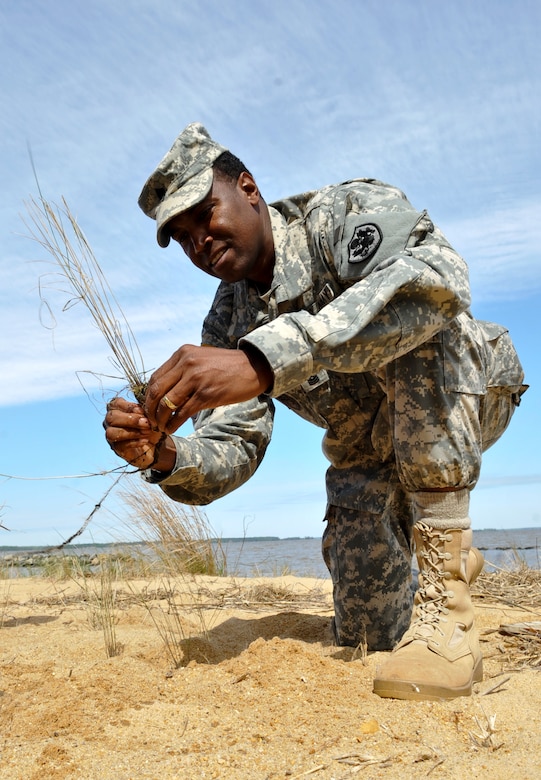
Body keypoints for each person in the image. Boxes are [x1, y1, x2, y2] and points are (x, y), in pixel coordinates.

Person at [104, 122, 527, 700]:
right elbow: (234, 442)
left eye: (204, 214)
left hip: (469, 393)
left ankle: (449, 614)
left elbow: (438, 281)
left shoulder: (340, 216)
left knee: (419, 323)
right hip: (369, 448)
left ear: (248, 188)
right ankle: (451, 557)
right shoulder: (227, 322)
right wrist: (168, 454)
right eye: (181, 236)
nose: (198, 240)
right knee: (368, 632)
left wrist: (269, 358)